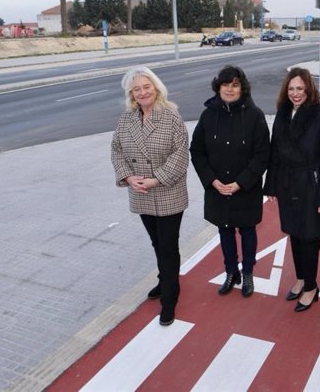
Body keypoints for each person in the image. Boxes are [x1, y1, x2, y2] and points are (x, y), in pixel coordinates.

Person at [110, 66, 189, 326]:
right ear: (131, 94)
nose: (143, 92)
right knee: (157, 243)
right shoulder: (126, 119)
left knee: (168, 246)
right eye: (137, 89)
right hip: (141, 193)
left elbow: (181, 155)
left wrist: (157, 179)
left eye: (147, 86)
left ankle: (170, 297)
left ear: (156, 87)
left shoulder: (171, 116)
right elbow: (117, 150)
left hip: (167, 192)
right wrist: (128, 177)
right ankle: (164, 280)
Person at [190, 65, 270, 297]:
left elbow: (263, 154)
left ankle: (247, 274)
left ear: (242, 88)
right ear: (218, 87)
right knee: (224, 231)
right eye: (225, 84)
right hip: (218, 188)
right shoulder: (208, 115)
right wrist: (212, 181)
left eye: (235, 85)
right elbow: (197, 151)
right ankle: (230, 271)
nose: (230, 89)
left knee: (247, 231)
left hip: (245, 189)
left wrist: (241, 183)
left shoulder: (255, 116)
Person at [264, 67, 320, 312]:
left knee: (309, 238)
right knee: (294, 235)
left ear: (309, 90)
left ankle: (310, 287)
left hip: (311, 185)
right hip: (287, 184)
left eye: (301, 89)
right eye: (292, 89)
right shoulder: (282, 114)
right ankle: (300, 278)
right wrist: (272, 185)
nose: (296, 94)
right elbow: (274, 152)